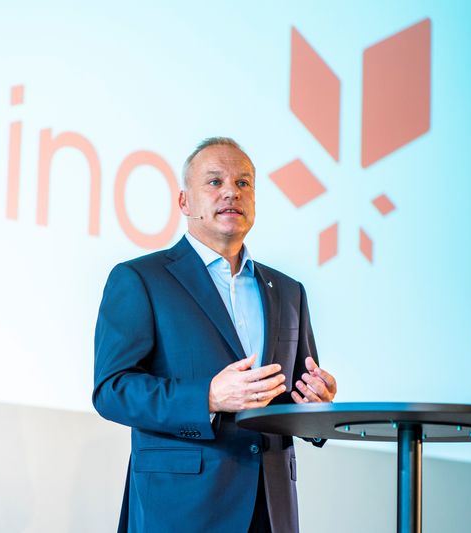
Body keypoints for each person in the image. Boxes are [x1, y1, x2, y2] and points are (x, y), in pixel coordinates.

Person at [92, 137, 338, 533]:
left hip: (270, 507)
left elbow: (294, 396)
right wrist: (207, 397)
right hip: (182, 508)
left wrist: (315, 405)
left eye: (243, 183)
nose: (230, 192)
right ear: (184, 202)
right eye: (214, 182)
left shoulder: (289, 291)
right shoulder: (141, 279)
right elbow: (112, 390)